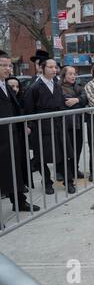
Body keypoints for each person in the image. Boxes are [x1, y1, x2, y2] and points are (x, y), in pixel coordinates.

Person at [24, 58, 76, 194]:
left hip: (59, 125)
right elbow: (28, 109)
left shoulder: (57, 85)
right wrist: (30, 126)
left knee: (64, 154)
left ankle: (68, 181)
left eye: (55, 67)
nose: (54, 70)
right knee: (42, 157)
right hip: (42, 127)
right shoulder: (34, 87)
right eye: (51, 67)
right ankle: (47, 182)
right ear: (42, 68)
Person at [0, 52, 40, 212]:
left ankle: (19, 202)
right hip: (2, 138)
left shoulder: (6, 85)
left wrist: (23, 124)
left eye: (9, 65)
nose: (7, 69)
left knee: (14, 170)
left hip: (12, 137)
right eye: (3, 65)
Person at [59, 66, 88, 180]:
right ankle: (64, 172)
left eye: (74, 74)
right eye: (70, 74)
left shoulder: (78, 86)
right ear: (64, 75)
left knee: (78, 147)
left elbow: (85, 98)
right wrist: (79, 101)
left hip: (78, 123)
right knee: (66, 149)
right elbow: (65, 101)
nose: (72, 76)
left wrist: (77, 100)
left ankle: (74, 169)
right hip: (65, 123)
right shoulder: (58, 87)